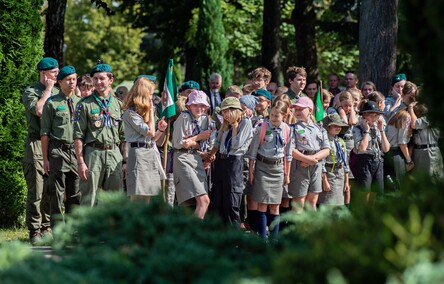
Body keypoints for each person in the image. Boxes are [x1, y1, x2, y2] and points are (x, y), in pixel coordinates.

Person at [73, 63, 125, 207]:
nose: (98, 82)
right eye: (95, 79)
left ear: (111, 80)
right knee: (89, 197)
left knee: (115, 199)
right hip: (93, 153)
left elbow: (123, 136)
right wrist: (81, 162)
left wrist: (125, 160)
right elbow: (78, 136)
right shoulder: (84, 104)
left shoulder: (118, 105)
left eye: (102, 78)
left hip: (114, 153)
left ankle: (112, 229)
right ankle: (86, 229)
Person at [22, 57, 59, 243]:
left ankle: (47, 226)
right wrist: (48, 90)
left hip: (54, 144)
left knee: (51, 189)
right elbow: (39, 110)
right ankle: (35, 230)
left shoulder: (60, 92)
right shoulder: (31, 91)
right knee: (36, 189)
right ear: (44, 73)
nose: (57, 75)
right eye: (54, 72)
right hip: (36, 144)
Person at [40, 65, 81, 228]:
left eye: (74, 79)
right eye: (68, 80)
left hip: (76, 151)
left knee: (75, 193)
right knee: (56, 194)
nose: (72, 83)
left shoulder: (80, 103)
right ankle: (58, 231)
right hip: (57, 150)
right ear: (60, 82)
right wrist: (45, 159)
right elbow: (44, 133)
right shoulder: (52, 103)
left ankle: (73, 231)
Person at [246, 101, 292, 239]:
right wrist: (251, 171)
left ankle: (274, 239)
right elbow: (253, 151)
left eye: (276, 115)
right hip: (262, 167)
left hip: (277, 169)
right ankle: (262, 238)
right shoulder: (262, 128)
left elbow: (288, 154)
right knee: (262, 204)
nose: (273, 117)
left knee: (275, 205)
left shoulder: (287, 130)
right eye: (271, 114)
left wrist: (287, 174)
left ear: (284, 115)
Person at [121, 77, 168, 203]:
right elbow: (150, 132)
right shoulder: (130, 114)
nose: (152, 98)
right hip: (139, 155)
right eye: (151, 94)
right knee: (138, 198)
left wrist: (161, 130)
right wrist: (152, 111)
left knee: (150, 197)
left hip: (150, 153)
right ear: (143, 93)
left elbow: (153, 139)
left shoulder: (143, 113)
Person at [208, 97, 253, 225]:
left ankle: (234, 233)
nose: (225, 115)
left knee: (231, 199)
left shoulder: (245, 123)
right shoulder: (225, 125)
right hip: (221, 162)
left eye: (227, 112)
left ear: (235, 111)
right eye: (223, 112)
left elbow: (236, 144)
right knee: (218, 198)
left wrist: (234, 128)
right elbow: (218, 142)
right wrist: (210, 155)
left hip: (234, 162)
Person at [172, 90, 213, 219]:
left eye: (202, 105)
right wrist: (199, 137)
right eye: (195, 105)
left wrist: (193, 142)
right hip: (183, 158)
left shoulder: (204, 119)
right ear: (189, 105)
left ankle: (189, 233)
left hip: (196, 158)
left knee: (194, 203)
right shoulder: (183, 117)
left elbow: (203, 144)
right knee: (203, 200)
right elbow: (179, 143)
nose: (199, 108)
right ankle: (194, 234)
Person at [288, 97, 330, 212]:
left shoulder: (319, 128)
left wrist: (312, 159)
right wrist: (306, 159)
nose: (297, 112)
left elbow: (327, 149)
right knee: (299, 202)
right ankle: (296, 229)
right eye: (295, 109)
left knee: (312, 201)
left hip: (316, 165)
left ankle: (311, 229)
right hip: (300, 165)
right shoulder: (292, 128)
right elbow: (291, 149)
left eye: (301, 109)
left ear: (310, 110)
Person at [352, 101, 390, 202]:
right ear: (364, 116)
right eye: (371, 115)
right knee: (365, 193)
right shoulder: (358, 128)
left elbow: (386, 148)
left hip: (378, 161)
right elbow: (362, 148)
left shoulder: (378, 128)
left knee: (376, 193)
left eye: (376, 115)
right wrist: (367, 130)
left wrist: (381, 130)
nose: (374, 118)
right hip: (364, 161)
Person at [319, 114, 350, 207]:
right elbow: (322, 162)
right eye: (335, 126)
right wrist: (324, 181)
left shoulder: (340, 141)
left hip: (340, 174)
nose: (338, 128)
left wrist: (346, 181)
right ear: (328, 127)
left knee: (339, 204)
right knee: (327, 203)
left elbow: (345, 163)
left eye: (339, 126)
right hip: (329, 174)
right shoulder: (324, 142)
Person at [409, 102, 444, 179]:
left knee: (432, 178)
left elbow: (414, 124)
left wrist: (410, 108)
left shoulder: (429, 118)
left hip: (429, 151)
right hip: (419, 151)